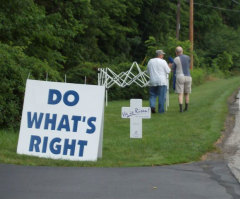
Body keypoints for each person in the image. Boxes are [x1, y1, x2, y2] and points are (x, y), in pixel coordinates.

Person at [172, 46, 192, 112]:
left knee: (180, 93)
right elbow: (188, 65)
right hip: (188, 77)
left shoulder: (176, 59)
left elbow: (173, 69)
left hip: (180, 76)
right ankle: (186, 107)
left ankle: (181, 109)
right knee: (187, 93)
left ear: (176, 52)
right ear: (182, 51)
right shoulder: (188, 57)